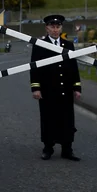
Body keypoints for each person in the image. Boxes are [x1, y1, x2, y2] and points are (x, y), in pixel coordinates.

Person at [29, 14, 82, 161]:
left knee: (67, 120)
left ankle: (67, 150)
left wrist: (77, 88)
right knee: (48, 119)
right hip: (48, 89)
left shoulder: (69, 45)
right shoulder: (39, 45)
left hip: (65, 89)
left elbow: (73, 68)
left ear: (61, 28)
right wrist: (36, 88)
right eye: (52, 26)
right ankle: (48, 148)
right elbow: (34, 68)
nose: (55, 29)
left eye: (57, 26)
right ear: (47, 28)